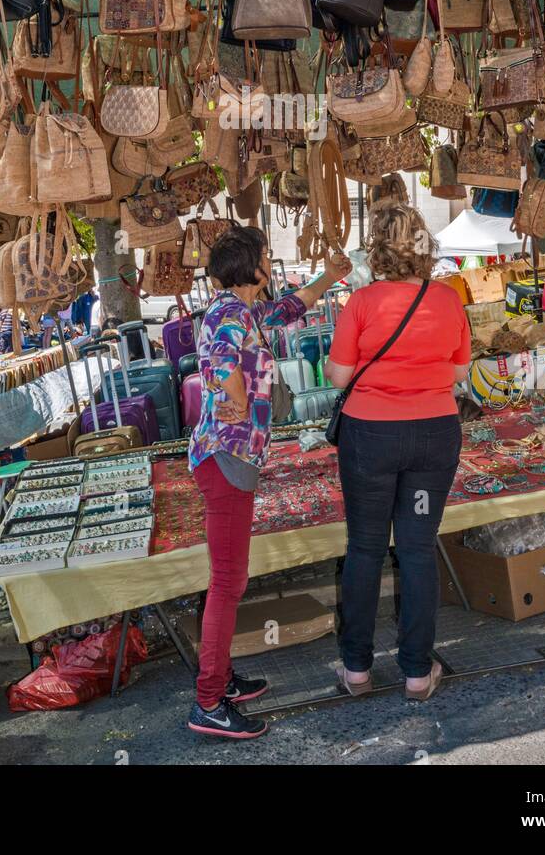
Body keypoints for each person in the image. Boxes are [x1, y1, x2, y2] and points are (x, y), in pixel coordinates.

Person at [186, 226, 350, 741]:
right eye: (265, 256)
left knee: (228, 580)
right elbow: (223, 367)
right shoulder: (228, 315)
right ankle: (209, 701)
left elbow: (288, 310)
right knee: (228, 583)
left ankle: (222, 681)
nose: (271, 262)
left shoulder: (237, 309)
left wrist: (330, 277)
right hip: (227, 458)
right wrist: (232, 394)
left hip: (229, 456)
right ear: (249, 265)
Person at [325, 200, 470, 702]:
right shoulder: (449, 299)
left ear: (378, 249)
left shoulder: (361, 303)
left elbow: (339, 377)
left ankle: (358, 670)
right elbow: (457, 374)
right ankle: (415, 672)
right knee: (416, 547)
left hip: (372, 439)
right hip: (433, 438)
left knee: (365, 548)